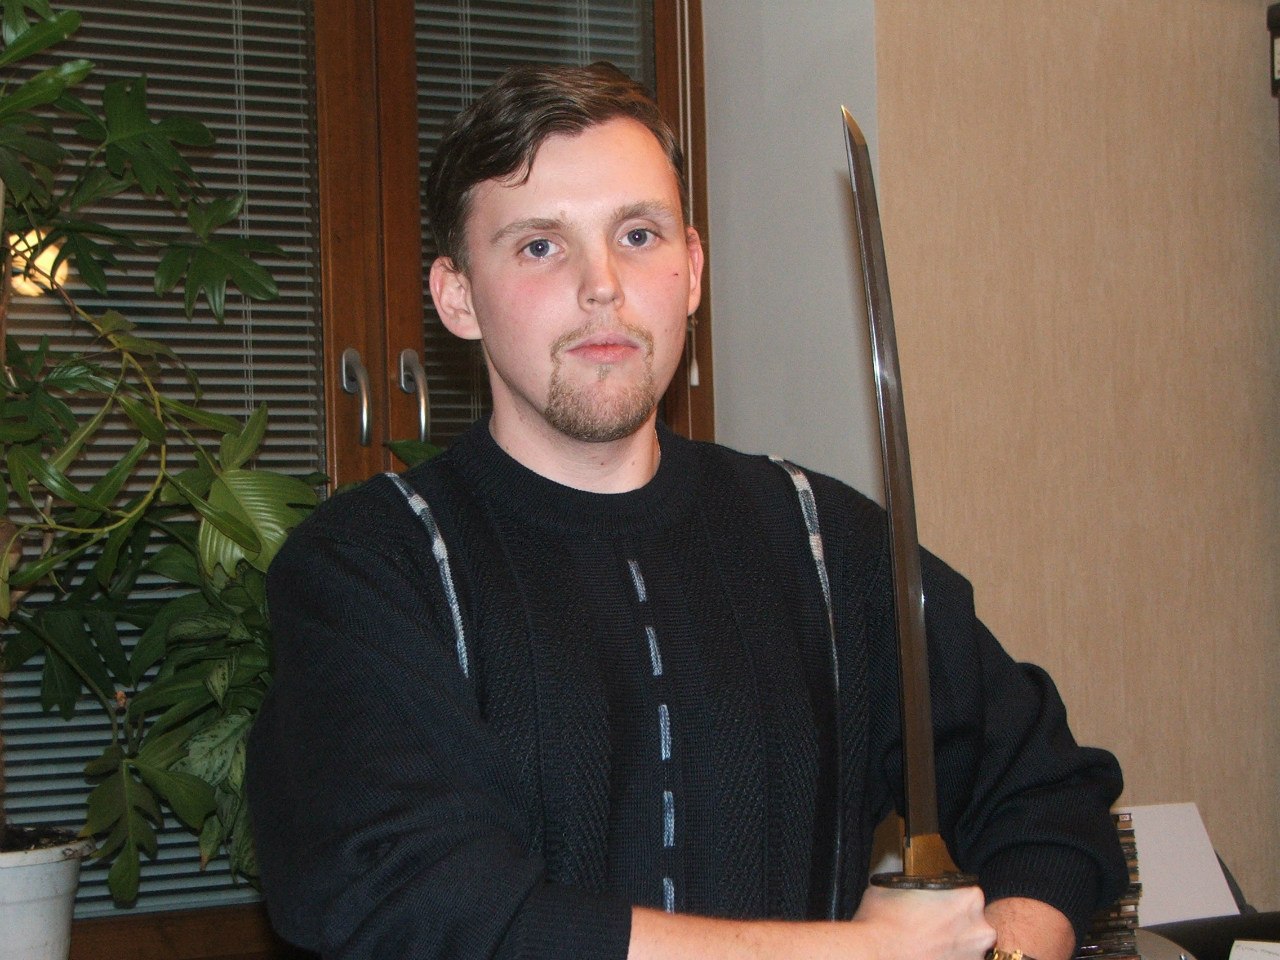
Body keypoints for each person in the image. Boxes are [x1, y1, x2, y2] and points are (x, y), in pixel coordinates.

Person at [245, 62, 1126, 960]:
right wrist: (860, 954)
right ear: (457, 297)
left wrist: (1010, 950)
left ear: (693, 270)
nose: (602, 285)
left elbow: (1047, 797)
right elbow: (427, 906)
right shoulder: (370, 568)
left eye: (638, 234)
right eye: (540, 246)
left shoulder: (829, 544)